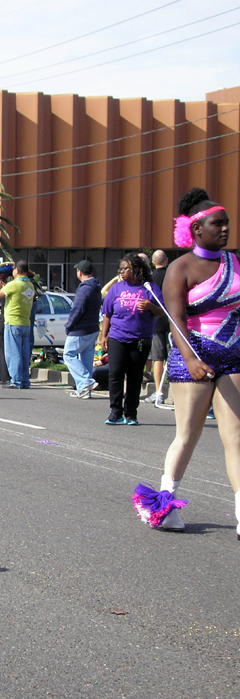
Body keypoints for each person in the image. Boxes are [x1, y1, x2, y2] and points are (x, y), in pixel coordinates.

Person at [134, 188, 240, 532]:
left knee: (236, 436)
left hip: (233, 357)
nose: (225, 229)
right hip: (191, 356)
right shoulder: (180, 268)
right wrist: (192, 360)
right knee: (187, 436)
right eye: (217, 223)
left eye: (227, 223)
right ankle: (166, 506)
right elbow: (175, 319)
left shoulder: (235, 263)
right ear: (196, 229)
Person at [100, 253, 164, 425]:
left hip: (140, 339)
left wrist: (150, 306)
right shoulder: (116, 288)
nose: (121, 271)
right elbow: (107, 314)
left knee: (135, 376)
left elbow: (161, 311)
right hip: (117, 337)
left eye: (125, 268)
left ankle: (131, 413)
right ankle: (115, 411)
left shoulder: (149, 288)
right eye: (120, 268)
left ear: (137, 269)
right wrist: (103, 336)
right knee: (115, 374)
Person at [0, 261, 35, 389]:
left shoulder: (14, 284)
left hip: (13, 322)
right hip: (25, 322)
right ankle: (25, 380)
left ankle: (16, 380)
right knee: (24, 353)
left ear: (16, 270)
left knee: (13, 352)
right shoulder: (30, 285)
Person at [63, 260, 102, 398]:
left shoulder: (84, 289)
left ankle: (86, 382)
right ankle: (84, 391)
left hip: (80, 329)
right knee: (86, 359)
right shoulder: (96, 288)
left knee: (68, 355)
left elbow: (77, 310)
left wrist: (69, 326)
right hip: (92, 328)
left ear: (79, 272)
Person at [144, 250, 170, 403]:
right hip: (173, 319)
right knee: (173, 356)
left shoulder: (151, 279)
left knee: (158, 358)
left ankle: (159, 392)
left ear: (153, 263)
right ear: (167, 260)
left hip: (156, 321)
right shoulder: (173, 275)